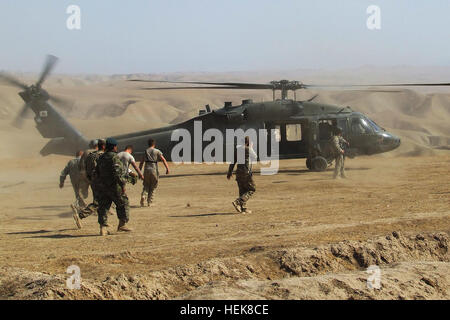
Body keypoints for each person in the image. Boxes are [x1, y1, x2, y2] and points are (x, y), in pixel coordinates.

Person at [96, 138, 131, 235]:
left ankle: (103, 228)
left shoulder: (101, 157)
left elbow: (97, 172)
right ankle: (122, 224)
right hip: (114, 186)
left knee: (103, 207)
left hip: (103, 186)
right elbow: (117, 174)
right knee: (123, 203)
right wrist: (123, 184)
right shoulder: (114, 157)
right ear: (114, 147)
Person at [71, 139, 106, 229]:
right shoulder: (98, 153)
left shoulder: (86, 152)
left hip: (84, 175)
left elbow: (80, 164)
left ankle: (76, 205)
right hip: (94, 177)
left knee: (83, 194)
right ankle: (100, 217)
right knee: (99, 198)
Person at [227, 136, 257, 214]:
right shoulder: (248, 149)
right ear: (248, 142)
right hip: (246, 173)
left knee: (242, 191)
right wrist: (251, 147)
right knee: (252, 189)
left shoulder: (237, 150)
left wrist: (229, 172)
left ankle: (243, 208)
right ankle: (238, 202)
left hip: (238, 173)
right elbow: (255, 157)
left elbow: (233, 162)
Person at [139, 138, 170, 207]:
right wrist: (167, 168)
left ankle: (144, 195)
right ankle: (149, 202)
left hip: (146, 169)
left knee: (146, 185)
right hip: (154, 169)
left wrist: (139, 172)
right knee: (153, 185)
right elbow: (163, 160)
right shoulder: (157, 151)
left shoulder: (145, 151)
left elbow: (141, 162)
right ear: (154, 144)